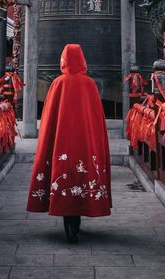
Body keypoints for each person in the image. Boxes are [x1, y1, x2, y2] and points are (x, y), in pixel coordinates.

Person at [26, 43, 111, 243]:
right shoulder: (89, 84)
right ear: (82, 60)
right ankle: (77, 223)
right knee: (83, 178)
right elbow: (96, 120)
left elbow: (49, 119)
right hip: (85, 143)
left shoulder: (58, 83)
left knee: (63, 176)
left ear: (63, 60)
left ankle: (69, 228)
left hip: (61, 143)